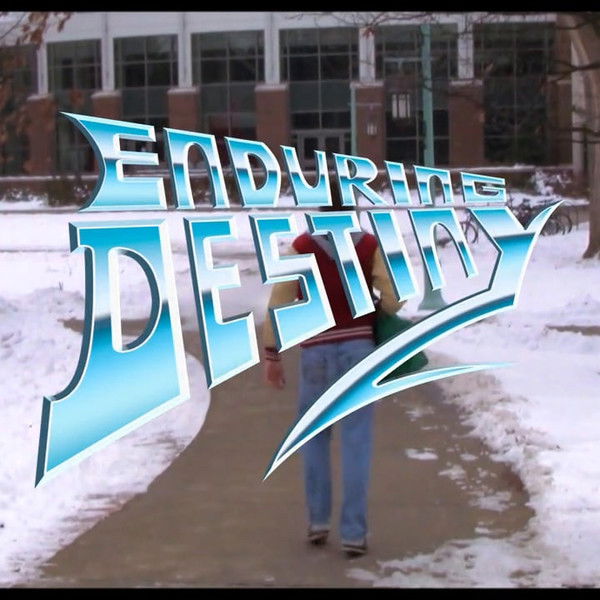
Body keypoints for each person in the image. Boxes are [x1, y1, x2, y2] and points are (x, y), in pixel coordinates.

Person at [261, 186, 404, 558]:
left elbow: (279, 301)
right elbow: (395, 297)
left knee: (315, 438)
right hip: (359, 350)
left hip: (316, 354)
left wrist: (272, 354)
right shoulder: (368, 245)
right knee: (357, 441)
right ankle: (354, 532)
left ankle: (318, 521)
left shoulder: (302, 246)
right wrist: (376, 307)